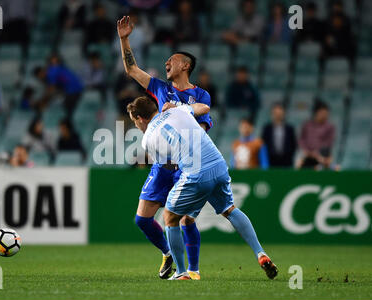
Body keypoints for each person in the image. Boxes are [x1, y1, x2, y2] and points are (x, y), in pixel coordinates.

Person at [127, 96, 278, 280]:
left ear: (140, 118)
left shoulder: (148, 138)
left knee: (170, 217)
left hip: (195, 172)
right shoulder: (176, 110)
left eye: (135, 123)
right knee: (229, 209)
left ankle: (182, 272)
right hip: (218, 164)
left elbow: (167, 165)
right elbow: (204, 108)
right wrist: (180, 106)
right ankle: (260, 253)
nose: (137, 127)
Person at [117, 15, 213, 280]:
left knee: (185, 220)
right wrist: (124, 39)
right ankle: (168, 252)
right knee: (142, 219)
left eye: (172, 59)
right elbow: (132, 71)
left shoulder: (201, 96)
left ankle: (192, 272)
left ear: (186, 65)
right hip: (162, 165)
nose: (166, 62)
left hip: (186, 167)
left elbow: (202, 129)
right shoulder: (160, 89)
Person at [33, 53, 84, 118]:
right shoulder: (54, 69)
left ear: (41, 73)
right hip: (74, 89)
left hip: (74, 90)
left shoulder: (51, 73)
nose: (40, 79)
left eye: (39, 77)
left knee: (66, 112)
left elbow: (51, 91)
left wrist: (41, 101)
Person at [297, 101, 336, 169]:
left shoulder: (330, 127)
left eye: (326, 113)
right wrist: (308, 152)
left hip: (322, 157)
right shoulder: (307, 125)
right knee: (299, 163)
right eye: (323, 113)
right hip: (307, 155)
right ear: (316, 113)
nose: (325, 115)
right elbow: (302, 140)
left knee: (331, 166)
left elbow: (328, 143)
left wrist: (317, 153)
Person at [261, 102, 297, 167]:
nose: (278, 115)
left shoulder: (290, 128)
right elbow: (263, 143)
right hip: (271, 160)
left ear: (283, 113)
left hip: (286, 161)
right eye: (276, 113)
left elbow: (293, 144)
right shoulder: (267, 128)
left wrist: (289, 155)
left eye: (280, 113)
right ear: (272, 114)